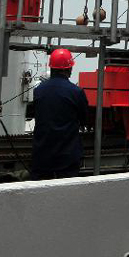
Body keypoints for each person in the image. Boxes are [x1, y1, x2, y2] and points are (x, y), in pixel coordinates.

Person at [31, 48, 89, 180]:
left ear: (51, 68)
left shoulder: (39, 90)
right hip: (67, 155)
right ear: (69, 69)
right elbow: (85, 119)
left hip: (42, 153)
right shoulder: (76, 92)